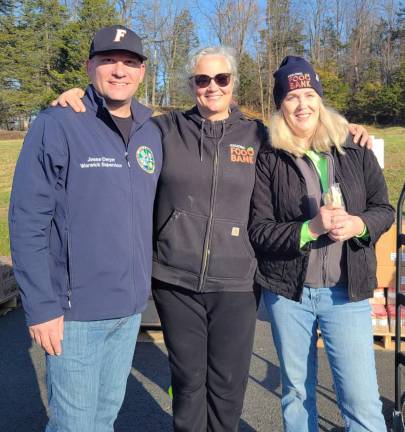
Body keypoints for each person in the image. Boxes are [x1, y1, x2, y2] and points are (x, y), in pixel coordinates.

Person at [53, 49, 371, 432]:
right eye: (203, 80)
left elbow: (305, 126)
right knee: (187, 384)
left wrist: (349, 128)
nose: (212, 87)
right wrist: (83, 98)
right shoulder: (164, 130)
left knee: (227, 387)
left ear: (232, 82)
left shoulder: (259, 136)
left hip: (237, 283)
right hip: (176, 280)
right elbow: (119, 117)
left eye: (221, 79)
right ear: (192, 85)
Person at [9, 25, 162, 432]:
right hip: (75, 313)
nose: (119, 70)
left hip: (128, 310)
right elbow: (27, 219)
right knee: (74, 424)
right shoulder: (58, 123)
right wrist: (41, 306)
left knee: (105, 417)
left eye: (129, 62)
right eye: (108, 60)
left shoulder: (153, 130)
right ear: (88, 66)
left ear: (143, 72)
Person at [248, 56, 394, 432]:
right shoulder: (269, 157)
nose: (302, 104)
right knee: (297, 395)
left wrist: (360, 224)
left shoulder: (355, 149)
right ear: (280, 105)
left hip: (347, 293)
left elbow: (384, 209)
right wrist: (309, 229)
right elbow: (260, 230)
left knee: (360, 401)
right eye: (292, 97)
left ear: (320, 100)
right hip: (289, 294)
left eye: (309, 94)